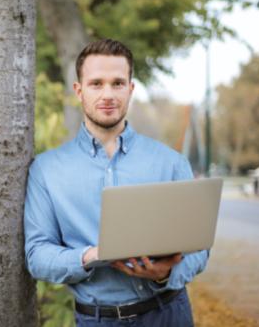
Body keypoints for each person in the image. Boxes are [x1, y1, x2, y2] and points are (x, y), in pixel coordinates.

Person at [24, 39, 208, 327]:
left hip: (169, 314)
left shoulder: (170, 162)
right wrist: (92, 256)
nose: (108, 94)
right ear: (79, 90)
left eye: (118, 83)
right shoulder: (46, 171)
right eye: (96, 83)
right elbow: (37, 255)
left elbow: (199, 249)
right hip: (96, 320)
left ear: (131, 89)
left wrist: (164, 274)